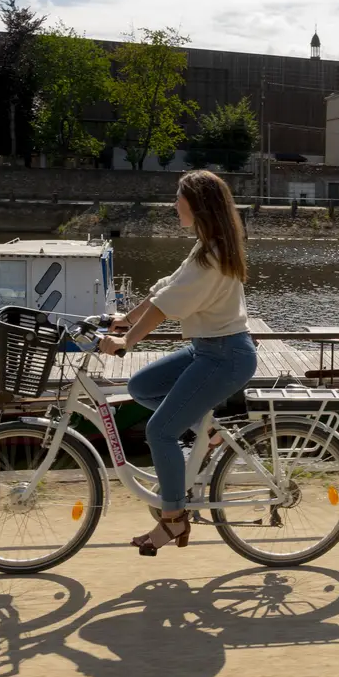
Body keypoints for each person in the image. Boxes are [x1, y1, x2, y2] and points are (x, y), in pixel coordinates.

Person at [100, 171, 257, 555]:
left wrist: (127, 340)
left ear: (197, 204)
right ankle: (209, 433)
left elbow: (167, 308)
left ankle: (173, 518)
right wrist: (126, 319)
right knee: (141, 387)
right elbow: (165, 292)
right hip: (208, 349)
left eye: (178, 198)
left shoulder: (212, 257)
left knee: (159, 432)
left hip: (226, 356)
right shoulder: (206, 246)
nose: (174, 204)